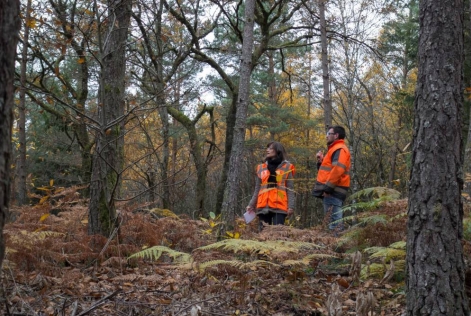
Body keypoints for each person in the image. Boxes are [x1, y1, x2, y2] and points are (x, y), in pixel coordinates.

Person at [246, 141, 295, 230]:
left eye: (270, 148)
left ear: (278, 151)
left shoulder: (287, 167)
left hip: (279, 206)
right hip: (263, 206)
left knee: (277, 235)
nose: (267, 150)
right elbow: (257, 188)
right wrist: (251, 205)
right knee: (263, 235)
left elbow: (290, 188)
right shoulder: (261, 167)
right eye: (267, 148)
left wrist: (291, 206)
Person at [312, 125, 351, 231]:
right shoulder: (334, 149)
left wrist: (328, 188)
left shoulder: (339, 149)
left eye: (329, 134)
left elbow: (338, 170)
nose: (326, 136)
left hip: (333, 190)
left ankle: (335, 245)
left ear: (336, 135)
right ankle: (334, 243)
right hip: (332, 190)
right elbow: (328, 170)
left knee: (334, 222)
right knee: (332, 221)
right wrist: (321, 161)